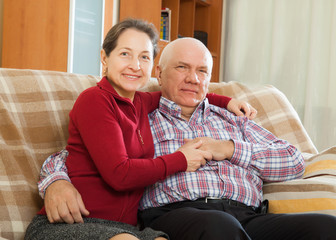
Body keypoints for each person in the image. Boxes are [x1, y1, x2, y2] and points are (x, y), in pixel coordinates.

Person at [38, 36, 336, 240]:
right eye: (182, 67)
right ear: (158, 74)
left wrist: (228, 149)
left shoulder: (235, 118)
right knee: (218, 227)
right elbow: (78, 154)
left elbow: (294, 162)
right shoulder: (139, 113)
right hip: (177, 216)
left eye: (202, 71)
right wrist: (55, 181)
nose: (193, 78)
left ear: (209, 78)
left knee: (330, 230)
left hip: (250, 216)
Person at [25, 19, 256, 240]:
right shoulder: (94, 100)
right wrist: (181, 159)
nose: (135, 66)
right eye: (125, 54)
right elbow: (120, 174)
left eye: (144, 57)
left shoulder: (141, 102)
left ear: (153, 67)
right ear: (105, 58)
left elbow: (184, 91)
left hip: (125, 227)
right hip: (76, 224)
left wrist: (226, 102)